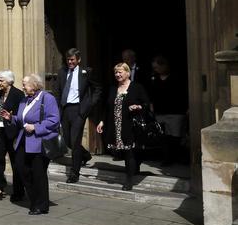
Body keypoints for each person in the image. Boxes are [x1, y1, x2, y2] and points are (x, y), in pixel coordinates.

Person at [0, 73, 60, 215]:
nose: (22, 86)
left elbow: (54, 120)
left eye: (25, 84)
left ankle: (41, 205)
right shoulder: (24, 100)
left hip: (39, 142)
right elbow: (22, 119)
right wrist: (11, 118)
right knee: (21, 168)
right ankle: (35, 199)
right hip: (24, 141)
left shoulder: (47, 98)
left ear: (34, 85)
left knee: (38, 174)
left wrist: (36, 127)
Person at [97, 62, 151, 190]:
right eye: (116, 72)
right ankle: (136, 164)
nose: (117, 74)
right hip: (116, 126)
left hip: (131, 125)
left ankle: (129, 181)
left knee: (129, 152)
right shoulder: (112, 88)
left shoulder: (136, 87)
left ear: (128, 73)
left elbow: (147, 104)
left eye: (120, 72)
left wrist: (138, 107)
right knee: (121, 152)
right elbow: (107, 107)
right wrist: (101, 121)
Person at [53, 48, 100, 184]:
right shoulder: (62, 72)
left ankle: (74, 173)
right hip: (65, 109)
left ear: (78, 60)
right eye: (68, 60)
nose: (70, 62)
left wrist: (89, 104)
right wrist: (56, 107)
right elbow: (57, 91)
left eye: (72, 60)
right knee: (68, 140)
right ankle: (84, 155)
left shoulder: (86, 72)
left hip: (79, 110)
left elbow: (98, 89)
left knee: (75, 140)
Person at [0, 70, 24, 201]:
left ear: (9, 81)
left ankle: (19, 191)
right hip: (1, 132)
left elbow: (21, 115)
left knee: (16, 162)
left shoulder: (18, 94)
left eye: (1, 80)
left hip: (14, 133)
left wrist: (12, 118)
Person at [149, 55, 188, 164]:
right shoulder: (154, 79)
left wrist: (187, 108)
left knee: (175, 137)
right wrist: (151, 104)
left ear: (164, 65)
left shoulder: (176, 77)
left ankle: (176, 158)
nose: (155, 70)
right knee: (163, 137)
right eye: (154, 68)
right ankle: (166, 158)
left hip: (176, 112)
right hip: (160, 112)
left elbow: (184, 94)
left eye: (157, 67)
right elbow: (152, 93)